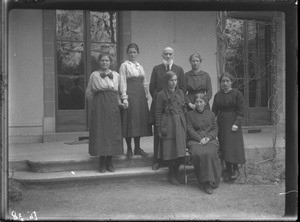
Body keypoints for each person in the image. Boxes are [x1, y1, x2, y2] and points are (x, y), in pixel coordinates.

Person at [85, 53, 124, 173]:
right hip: (100, 105)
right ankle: (102, 162)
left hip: (112, 105)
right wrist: (96, 104)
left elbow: (119, 92)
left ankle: (109, 161)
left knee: (112, 131)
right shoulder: (94, 75)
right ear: (99, 62)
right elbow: (89, 92)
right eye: (102, 60)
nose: (105, 63)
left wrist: (120, 102)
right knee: (101, 132)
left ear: (110, 62)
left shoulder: (116, 75)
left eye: (107, 61)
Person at [149, 47, 186, 170]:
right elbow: (152, 87)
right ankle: (157, 160)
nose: (168, 56)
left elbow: (183, 88)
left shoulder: (179, 70)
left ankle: (172, 159)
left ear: (173, 55)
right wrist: (161, 97)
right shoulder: (156, 69)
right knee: (159, 133)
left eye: (170, 54)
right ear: (162, 55)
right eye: (165, 54)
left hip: (175, 105)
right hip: (161, 104)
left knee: (173, 134)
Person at [119, 43, 152, 158]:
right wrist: (124, 97)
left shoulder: (140, 66)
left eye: (134, 52)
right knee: (130, 121)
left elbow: (145, 82)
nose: (132, 54)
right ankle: (129, 149)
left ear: (137, 53)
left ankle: (137, 148)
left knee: (139, 121)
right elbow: (122, 80)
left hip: (140, 96)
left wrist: (146, 95)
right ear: (127, 53)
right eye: (130, 52)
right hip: (130, 95)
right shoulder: (124, 65)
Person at [212, 72, 246, 181]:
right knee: (225, 146)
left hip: (233, 123)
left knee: (233, 147)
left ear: (231, 82)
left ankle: (235, 169)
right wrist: (212, 124)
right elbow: (214, 112)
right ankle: (228, 169)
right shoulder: (218, 95)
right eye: (223, 81)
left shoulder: (237, 94)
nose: (225, 83)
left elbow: (241, 111)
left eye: (227, 81)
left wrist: (236, 124)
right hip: (222, 124)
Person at [186, 93, 222, 194]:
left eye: (201, 102)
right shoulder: (189, 115)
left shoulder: (211, 114)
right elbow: (189, 129)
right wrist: (199, 139)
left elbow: (215, 129)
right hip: (195, 141)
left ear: (205, 103)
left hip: (210, 141)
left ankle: (210, 181)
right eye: (196, 102)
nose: (198, 104)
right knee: (200, 153)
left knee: (210, 153)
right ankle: (204, 181)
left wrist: (208, 138)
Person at [155, 71, 186, 185]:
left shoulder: (181, 92)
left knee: (179, 150)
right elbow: (158, 112)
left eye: (176, 80)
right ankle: (171, 174)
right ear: (167, 81)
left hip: (180, 122)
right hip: (168, 122)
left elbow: (184, 109)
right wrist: (159, 129)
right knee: (170, 150)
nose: (174, 83)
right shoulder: (161, 94)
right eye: (171, 80)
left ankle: (176, 172)